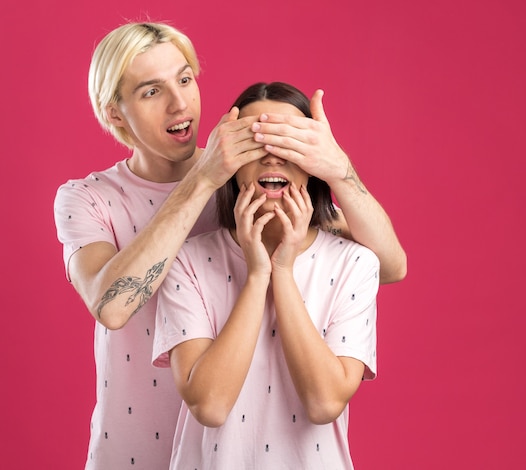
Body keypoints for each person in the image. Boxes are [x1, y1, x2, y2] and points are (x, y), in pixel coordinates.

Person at [53, 21, 405, 470]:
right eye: (150, 91)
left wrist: (339, 169)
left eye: (184, 79)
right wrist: (203, 179)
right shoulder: (87, 197)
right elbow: (113, 305)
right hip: (132, 452)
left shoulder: (244, 177)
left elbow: (388, 265)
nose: (180, 103)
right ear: (114, 114)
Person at [153, 82, 379, 469]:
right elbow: (209, 405)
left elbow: (325, 402)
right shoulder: (187, 260)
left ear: (314, 165)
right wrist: (257, 274)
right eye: (256, 143)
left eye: (290, 143)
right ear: (231, 163)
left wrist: (283, 272)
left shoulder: (354, 264)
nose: (273, 157)